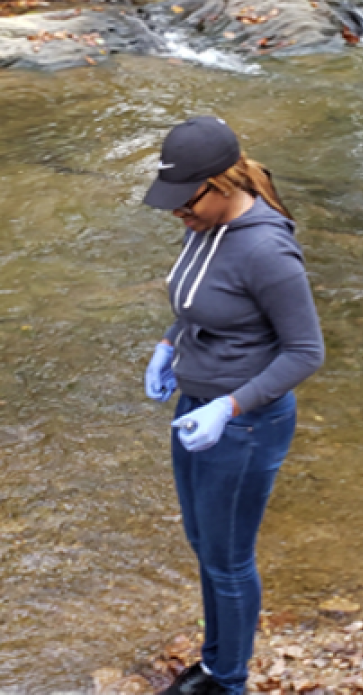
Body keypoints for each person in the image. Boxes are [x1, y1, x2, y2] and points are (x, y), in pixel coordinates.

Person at [142, 117, 324, 695]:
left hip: (244, 426)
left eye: (185, 202)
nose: (177, 213)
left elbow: (306, 351)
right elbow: (201, 293)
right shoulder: (202, 221)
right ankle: (216, 659)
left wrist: (232, 407)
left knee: (228, 560)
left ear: (221, 185)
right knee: (203, 544)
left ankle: (228, 681)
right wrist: (170, 342)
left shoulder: (268, 250)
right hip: (195, 405)